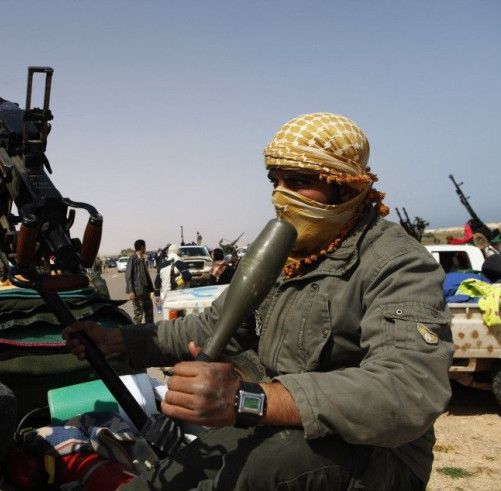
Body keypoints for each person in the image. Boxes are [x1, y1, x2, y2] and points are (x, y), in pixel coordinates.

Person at [64, 112, 453, 489]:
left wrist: (247, 399)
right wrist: (118, 341)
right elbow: (212, 327)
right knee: (169, 477)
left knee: (251, 470)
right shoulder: (284, 255)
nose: (282, 196)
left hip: (376, 455)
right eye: (276, 181)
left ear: (346, 185)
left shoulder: (397, 263)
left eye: (299, 181)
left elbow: (408, 389)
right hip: (278, 427)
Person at [125, 239, 155, 323]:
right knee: (138, 316)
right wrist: (131, 291)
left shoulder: (142, 259)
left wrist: (151, 289)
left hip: (146, 291)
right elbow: (128, 276)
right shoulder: (133, 258)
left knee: (149, 314)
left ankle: (150, 332)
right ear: (142, 247)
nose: (145, 248)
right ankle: (136, 334)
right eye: (145, 246)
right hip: (138, 292)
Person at [153, 243, 192, 309]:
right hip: (179, 297)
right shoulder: (179, 262)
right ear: (177, 252)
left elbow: (157, 283)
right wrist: (176, 283)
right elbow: (187, 276)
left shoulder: (161, 266)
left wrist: (157, 297)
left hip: (166, 298)